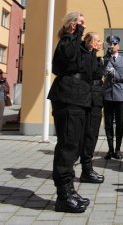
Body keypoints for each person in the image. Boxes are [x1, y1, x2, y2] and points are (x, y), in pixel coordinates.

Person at [48, 11, 94, 213]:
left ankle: (69, 189)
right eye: (80, 23)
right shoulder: (67, 41)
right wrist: (73, 33)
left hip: (79, 98)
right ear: (71, 24)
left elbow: (90, 71)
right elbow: (68, 58)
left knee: (75, 145)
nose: (82, 27)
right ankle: (63, 195)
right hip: (68, 96)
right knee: (67, 145)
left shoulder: (77, 44)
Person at [79, 32, 105, 183]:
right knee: (86, 134)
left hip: (96, 98)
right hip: (87, 98)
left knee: (92, 134)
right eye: (98, 41)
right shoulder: (85, 56)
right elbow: (90, 72)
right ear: (91, 42)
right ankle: (86, 170)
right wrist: (94, 53)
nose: (100, 43)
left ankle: (87, 168)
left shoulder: (95, 58)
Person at [103, 35, 123, 160]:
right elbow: (102, 73)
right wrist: (106, 59)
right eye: (110, 44)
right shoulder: (105, 59)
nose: (112, 46)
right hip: (108, 95)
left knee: (120, 124)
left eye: (114, 44)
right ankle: (110, 149)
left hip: (120, 94)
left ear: (118, 45)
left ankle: (118, 149)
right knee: (108, 124)